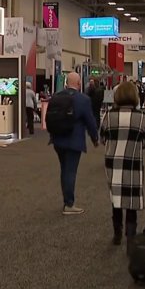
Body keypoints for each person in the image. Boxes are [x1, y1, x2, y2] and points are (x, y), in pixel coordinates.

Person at [99, 82, 145, 249]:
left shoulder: (108, 116)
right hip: (133, 162)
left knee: (116, 198)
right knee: (131, 201)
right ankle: (131, 237)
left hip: (113, 163)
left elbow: (102, 139)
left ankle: (117, 233)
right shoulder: (142, 117)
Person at [49, 72, 99, 215]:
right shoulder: (83, 99)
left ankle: (67, 200)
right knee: (70, 171)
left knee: (64, 170)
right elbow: (90, 121)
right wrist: (95, 138)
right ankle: (69, 204)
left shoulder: (56, 96)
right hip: (74, 141)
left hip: (58, 139)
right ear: (78, 83)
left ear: (66, 83)